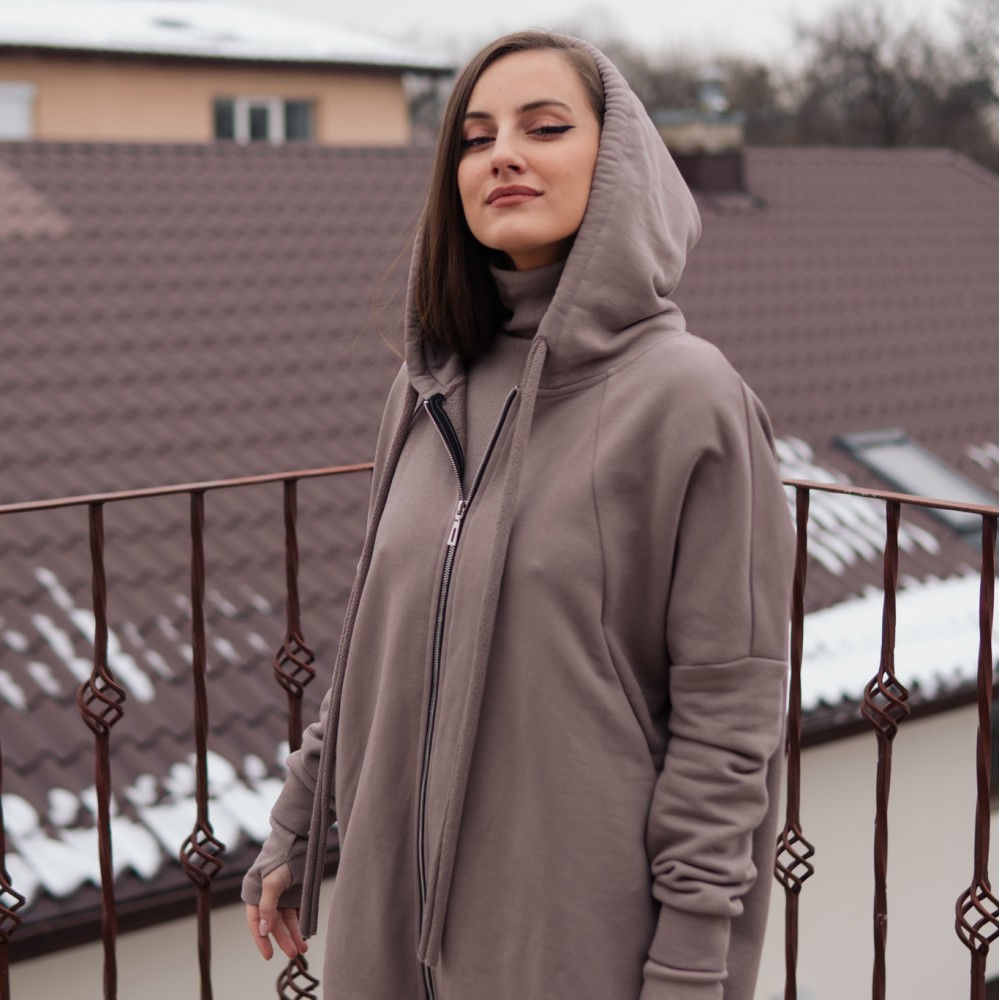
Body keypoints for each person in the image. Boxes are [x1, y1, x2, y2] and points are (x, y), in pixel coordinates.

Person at [242, 31, 795, 1000]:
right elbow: (380, 637)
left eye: (544, 128)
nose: (502, 154)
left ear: (617, 162)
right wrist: (300, 816)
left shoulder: (688, 398)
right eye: (474, 136)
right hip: (389, 925)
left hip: (576, 943)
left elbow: (727, 723)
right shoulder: (426, 387)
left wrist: (690, 965)